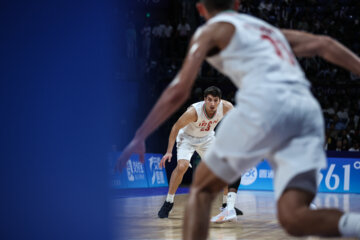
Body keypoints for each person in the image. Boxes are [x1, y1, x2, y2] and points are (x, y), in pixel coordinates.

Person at [115, 0, 360, 239]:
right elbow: (324, 44)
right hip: (307, 110)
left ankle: (227, 207)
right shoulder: (266, 31)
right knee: (294, 216)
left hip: (265, 106)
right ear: (237, 4)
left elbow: (178, 90)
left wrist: (140, 135)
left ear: (200, 9)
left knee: (200, 190)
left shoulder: (212, 30)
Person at [157, 86, 243, 221]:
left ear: (220, 101)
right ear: (205, 100)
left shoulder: (226, 107)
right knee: (182, 167)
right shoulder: (193, 112)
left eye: (216, 100)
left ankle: (226, 205)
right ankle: (169, 202)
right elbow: (175, 127)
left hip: (207, 139)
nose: (213, 103)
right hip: (187, 138)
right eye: (209, 100)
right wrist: (169, 151)